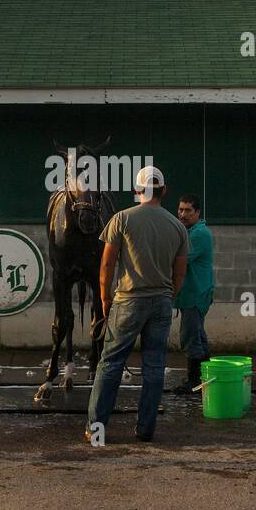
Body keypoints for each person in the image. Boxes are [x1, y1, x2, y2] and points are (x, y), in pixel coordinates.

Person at [88, 166, 188, 442]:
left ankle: (96, 429)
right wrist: (171, 295)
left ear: (137, 191)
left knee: (110, 364)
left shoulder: (122, 219)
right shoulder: (178, 226)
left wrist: (106, 298)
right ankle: (145, 430)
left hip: (129, 300)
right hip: (162, 303)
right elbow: (180, 272)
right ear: (163, 191)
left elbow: (107, 263)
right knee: (155, 367)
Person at [172, 193, 214, 393]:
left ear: (197, 212)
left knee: (190, 336)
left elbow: (180, 260)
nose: (183, 214)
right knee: (198, 335)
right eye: (180, 209)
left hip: (195, 294)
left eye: (188, 210)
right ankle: (207, 378)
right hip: (194, 293)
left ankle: (194, 381)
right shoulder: (189, 231)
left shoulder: (199, 234)